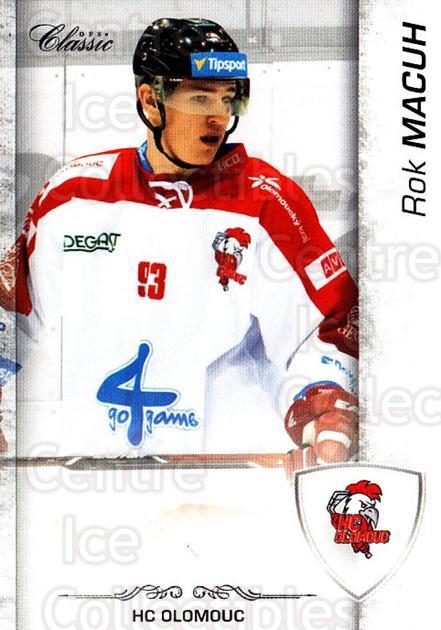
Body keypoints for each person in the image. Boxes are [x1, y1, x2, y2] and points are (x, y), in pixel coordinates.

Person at [0, 18, 358, 463]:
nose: (218, 116)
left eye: (228, 98)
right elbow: (11, 312)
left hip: (227, 479)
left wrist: (323, 402)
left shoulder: (269, 203)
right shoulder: (71, 196)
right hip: (91, 475)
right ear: (151, 102)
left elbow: (329, 327)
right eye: (200, 97)